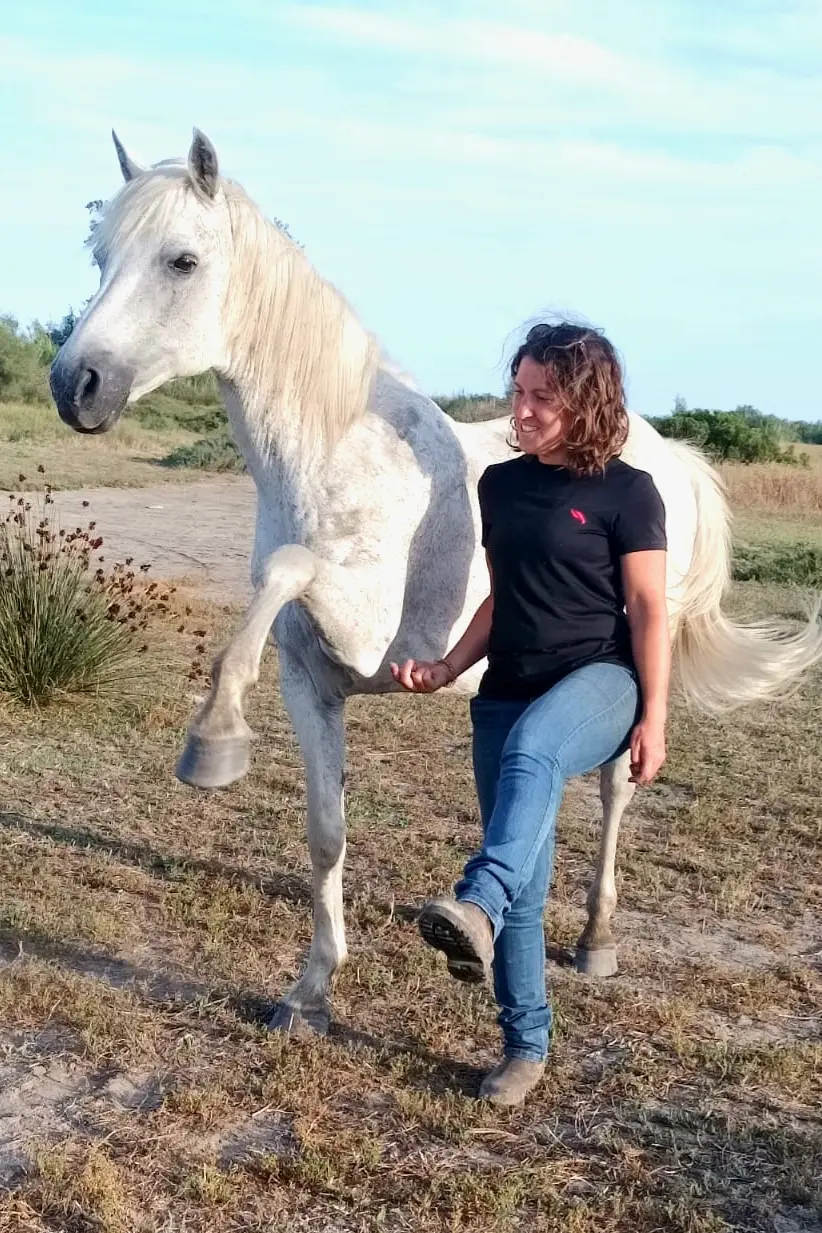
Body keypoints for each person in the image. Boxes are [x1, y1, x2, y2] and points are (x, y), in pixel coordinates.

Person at [391, 322, 669, 1108]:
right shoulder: (503, 485)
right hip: (507, 684)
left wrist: (656, 716)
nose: (525, 407)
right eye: (519, 390)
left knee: (535, 755)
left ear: (587, 399)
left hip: (601, 679)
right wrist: (450, 664)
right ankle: (526, 1043)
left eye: (544, 394)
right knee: (526, 878)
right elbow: (503, 594)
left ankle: (474, 900)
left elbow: (649, 608)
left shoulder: (627, 491)